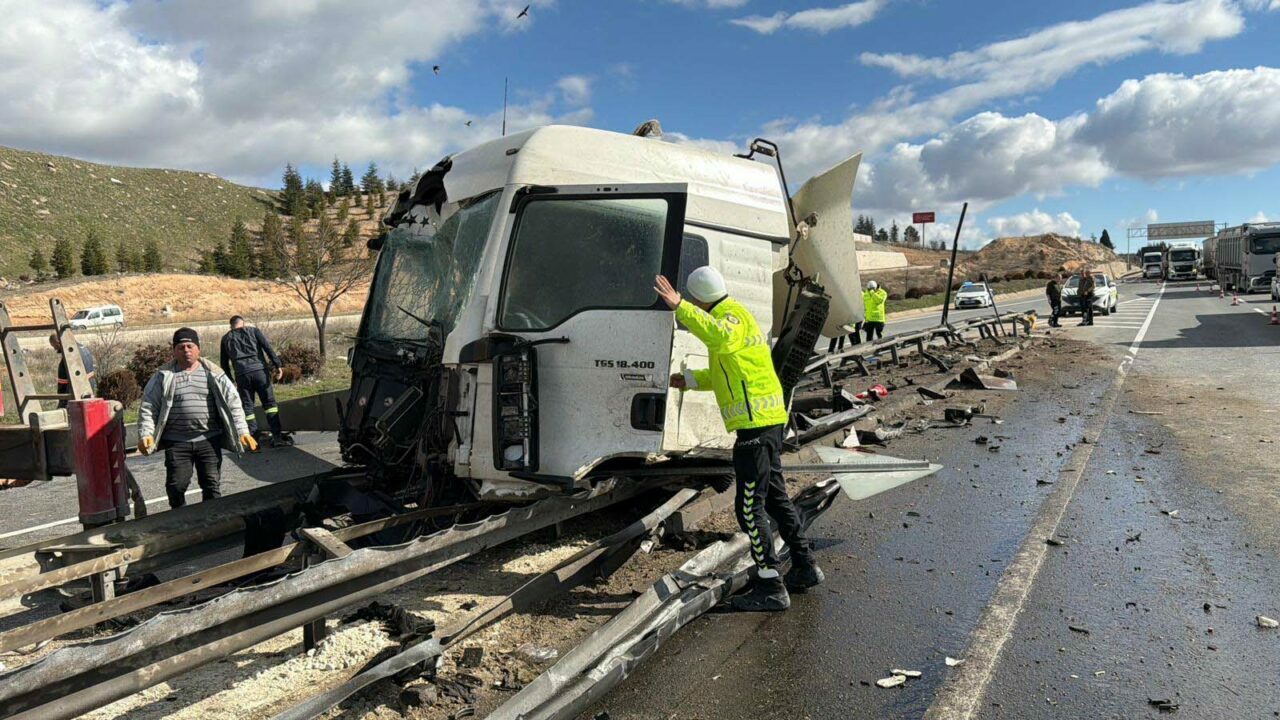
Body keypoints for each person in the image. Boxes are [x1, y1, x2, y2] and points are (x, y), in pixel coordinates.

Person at [656, 268, 822, 612]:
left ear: (698, 296)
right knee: (776, 500)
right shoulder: (737, 317)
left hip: (756, 430)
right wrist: (690, 379)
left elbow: (719, 338)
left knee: (749, 510)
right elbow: (729, 372)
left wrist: (679, 307)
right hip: (767, 424)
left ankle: (770, 585)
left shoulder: (729, 317)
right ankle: (805, 566)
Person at [137, 328, 257, 509]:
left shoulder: (214, 374)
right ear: (174, 351)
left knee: (211, 484)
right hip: (177, 442)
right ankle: (179, 520)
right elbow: (148, 406)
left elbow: (234, 405)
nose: (186, 350)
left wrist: (243, 432)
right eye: (181, 347)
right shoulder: (163, 376)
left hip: (209, 440)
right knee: (176, 485)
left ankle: (211, 520)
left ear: (198, 349)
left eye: (190, 346)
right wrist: (146, 434)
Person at [219, 316, 291, 448]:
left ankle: (254, 440)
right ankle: (277, 437)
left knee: (247, 408)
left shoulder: (225, 339)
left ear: (231, 326)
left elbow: (224, 363)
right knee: (270, 405)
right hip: (260, 372)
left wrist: (231, 381)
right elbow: (267, 348)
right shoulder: (253, 331)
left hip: (242, 375)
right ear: (243, 323)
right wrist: (278, 365)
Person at [49, 333, 97, 408]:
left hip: (76, 393)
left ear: (59, 342)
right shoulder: (85, 349)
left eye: (55, 346)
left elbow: (63, 386)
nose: (55, 349)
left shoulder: (67, 360)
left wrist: (61, 404)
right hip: (90, 389)